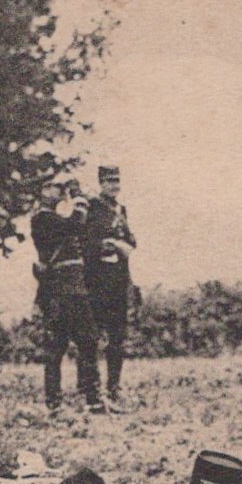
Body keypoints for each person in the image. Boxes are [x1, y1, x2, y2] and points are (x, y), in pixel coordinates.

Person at [31, 182, 101, 413]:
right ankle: (61, 402)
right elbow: (76, 224)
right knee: (63, 346)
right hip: (63, 290)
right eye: (54, 187)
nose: (60, 191)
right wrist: (79, 198)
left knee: (82, 343)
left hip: (68, 288)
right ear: (42, 192)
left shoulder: (52, 219)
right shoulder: (42, 218)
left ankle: (87, 398)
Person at [84, 165, 136, 411]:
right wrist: (106, 245)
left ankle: (113, 387)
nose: (114, 185)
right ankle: (89, 390)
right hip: (97, 280)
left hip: (118, 280)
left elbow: (131, 240)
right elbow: (85, 241)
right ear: (101, 183)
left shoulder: (120, 210)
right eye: (109, 181)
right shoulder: (93, 207)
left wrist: (120, 244)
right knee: (90, 337)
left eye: (117, 180)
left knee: (118, 337)